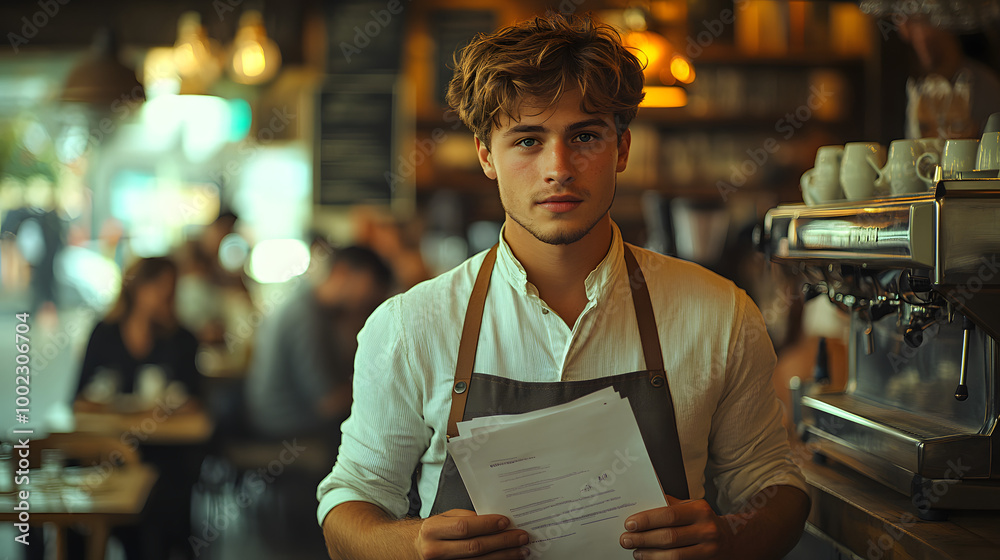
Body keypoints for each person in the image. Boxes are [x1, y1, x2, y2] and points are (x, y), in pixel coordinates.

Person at [318, 13, 808, 560]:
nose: (559, 167)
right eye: (528, 139)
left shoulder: (721, 314)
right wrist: (410, 545)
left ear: (621, 149)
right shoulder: (409, 325)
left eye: (585, 136)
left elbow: (778, 486)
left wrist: (732, 541)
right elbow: (351, 500)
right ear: (486, 155)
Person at [74, 256, 203, 560]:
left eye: (170, 290)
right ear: (136, 286)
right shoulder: (104, 332)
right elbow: (79, 399)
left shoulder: (182, 339)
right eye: (157, 287)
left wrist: (159, 410)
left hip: (163, 452)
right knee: (80, 488)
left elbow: (194, 402)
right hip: (106, 450)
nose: (163, 296)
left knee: (160, 497)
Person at [245, 245, 394, 441]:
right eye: (371, 286)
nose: (371, 297)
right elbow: (328, 403)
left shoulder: (313, 306)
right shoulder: (305, 316)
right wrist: (385, 385)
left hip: (291, 416)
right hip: (285, 424)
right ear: (342, 272)